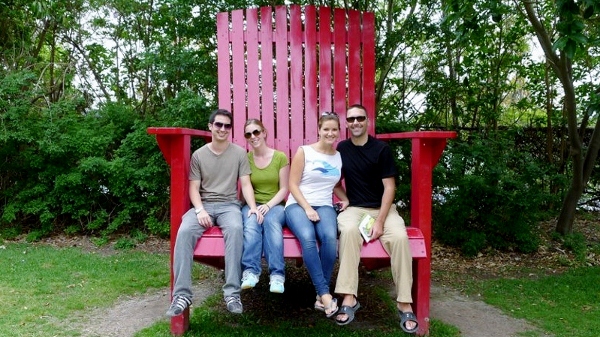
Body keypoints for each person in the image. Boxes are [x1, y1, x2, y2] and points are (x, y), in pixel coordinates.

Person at [166, 109, 262, 317]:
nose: (222, 129)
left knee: (236, 229)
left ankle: (232, 293)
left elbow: (245, 184)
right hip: (205, 204)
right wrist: (199, 210)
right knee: (183, 233)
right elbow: (194, 187)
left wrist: (253, 206)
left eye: (227, 126)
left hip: (229, 205)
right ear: (210, 127)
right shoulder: (199, 155)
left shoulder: (238, 153)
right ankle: (181, 295)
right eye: (218, 125)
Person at [333, 104, 418, 334]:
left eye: (360, 118)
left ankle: (404, 302)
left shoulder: (381, 149)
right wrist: (345, 198)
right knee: (349, 232)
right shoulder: (341, 149)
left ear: (368, 121)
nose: (355, 123)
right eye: (351, 120)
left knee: (400, 237)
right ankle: (349, 297)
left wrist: (380, 220)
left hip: (383, 209)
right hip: (355, 209)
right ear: (347, 124)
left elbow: (389, 187)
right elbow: (332, 180)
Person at [284, 112, 346, 319]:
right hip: (297, 205)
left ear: (339, 132)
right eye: (326, 129)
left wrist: (345, 199)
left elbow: (334, 184)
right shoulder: (304, 152)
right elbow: (292, 184)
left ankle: (322, 296)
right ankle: (325, 294)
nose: (330, 133)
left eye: (334, 129)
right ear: (319, 130)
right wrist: (307, 208)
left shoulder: (338, 156)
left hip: (325, 205)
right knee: (308, 238)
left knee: (330, 238)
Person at [240, 119, 290, 293]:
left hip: (275, 204)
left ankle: (277, 275)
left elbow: (284, 188)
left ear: (264, 132)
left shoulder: (280, 157)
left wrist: (268, 206)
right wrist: (253, 207)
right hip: (253, 203)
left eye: (256, 132)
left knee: (271, 223)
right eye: (249, 134)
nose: (253, 136)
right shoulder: (245, 159)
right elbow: (246, 186)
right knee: (251, 223)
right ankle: (250, 271)